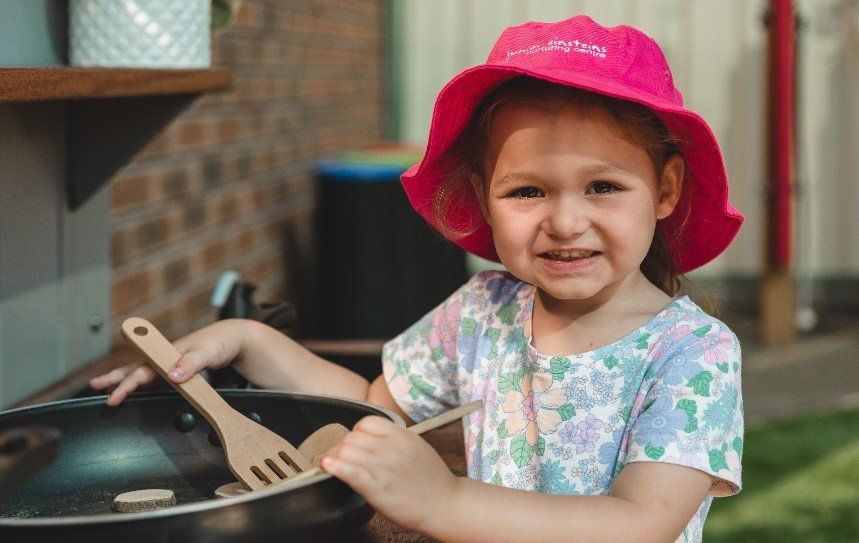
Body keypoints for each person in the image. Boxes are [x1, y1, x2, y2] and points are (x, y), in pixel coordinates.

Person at [91, 15, 745, 543]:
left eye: (602, 186)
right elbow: (371, 405)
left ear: (662, 190)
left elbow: (640, 522)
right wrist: (246, 340)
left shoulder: (691, 352)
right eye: (527, 191)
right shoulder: (481, 311)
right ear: (484, 200)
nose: (565, 221)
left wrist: (444, 498)